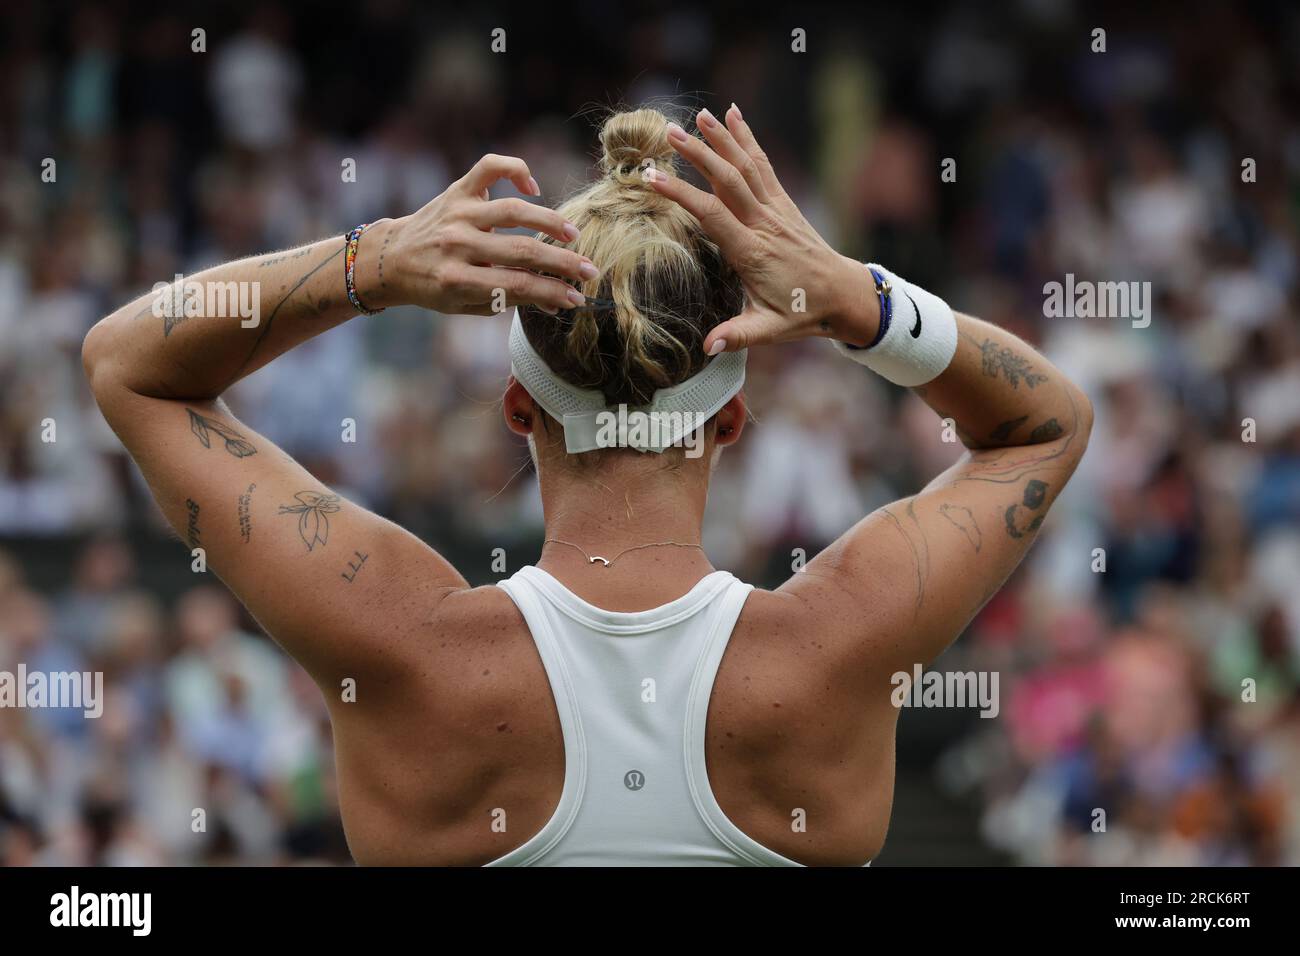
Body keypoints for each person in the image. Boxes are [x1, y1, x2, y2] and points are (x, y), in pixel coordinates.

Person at [82, 104, 1092, 866]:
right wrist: (856, 298)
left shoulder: (405, 644)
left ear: (518, 412)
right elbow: (1045, 423)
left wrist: (374, 260)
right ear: (731, 419)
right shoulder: (832, 646)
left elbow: (129, 365)